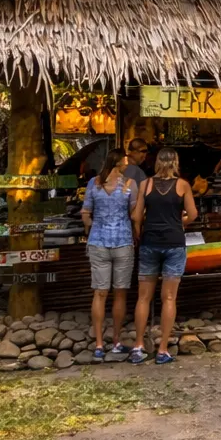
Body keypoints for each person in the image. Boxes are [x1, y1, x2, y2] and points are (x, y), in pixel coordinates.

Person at [129, 148, 197, 364]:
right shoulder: (182, 185)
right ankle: (162, 349)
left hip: (150, 243)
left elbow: (137, 216)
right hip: (174, 244)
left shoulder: (145, 184)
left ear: (157, 162)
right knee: (168, 298)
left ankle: (139, 346)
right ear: (175, 162)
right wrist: (179, 224)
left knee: (143, 297)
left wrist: (139, 233)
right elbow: (193, 214)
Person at [81, 149, 136, 359]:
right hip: (123, 241)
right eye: (126, 160)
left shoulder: (94, 183)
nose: (127, 163)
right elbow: (135, 215)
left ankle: (98, 344)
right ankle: (116, 340)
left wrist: (92, 228)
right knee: (119, 292)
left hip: (98, 242)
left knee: (100, 292)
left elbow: (86, 212)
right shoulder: (130, 185)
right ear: (119, 163)